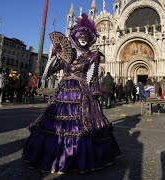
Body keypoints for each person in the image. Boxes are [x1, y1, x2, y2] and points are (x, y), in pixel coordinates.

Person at [22, 13, 121, 174]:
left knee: (83, 125)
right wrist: (53, 56)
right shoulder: (67, 55)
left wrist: (92, 95)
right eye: (80, 36)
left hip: (82, 94)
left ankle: (79, 157)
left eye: (86, 37)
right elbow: (46, 74)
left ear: (90, 39)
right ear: (75, 37)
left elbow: (92, 78)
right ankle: (55, 156)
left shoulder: (92, 55)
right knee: (55, 125)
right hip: (62, 94)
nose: (83, 39)